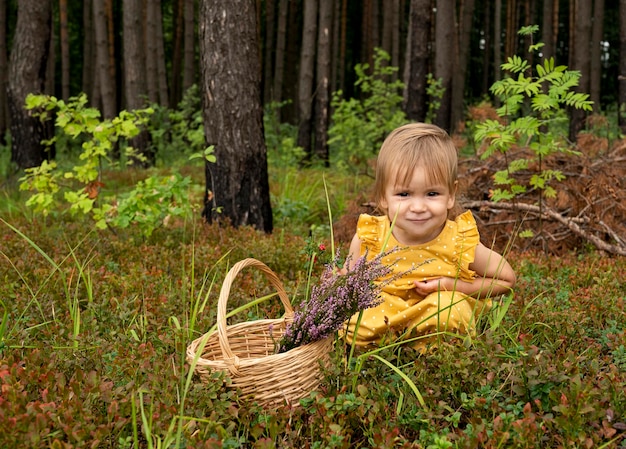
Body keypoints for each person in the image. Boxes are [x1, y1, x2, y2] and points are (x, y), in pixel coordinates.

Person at [343, 123, 516, 351]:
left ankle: (430, 354)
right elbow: (346, 282)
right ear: (383, 197)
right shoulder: (371, 237)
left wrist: (452, 286)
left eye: (432, 194)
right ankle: (388, 349)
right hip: (386, 311)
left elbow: (506, 280)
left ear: (451, 195)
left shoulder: (459, 240)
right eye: (404, 194)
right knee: (355, 318)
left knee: (450, 310)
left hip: (436, 311)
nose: (418, 206)